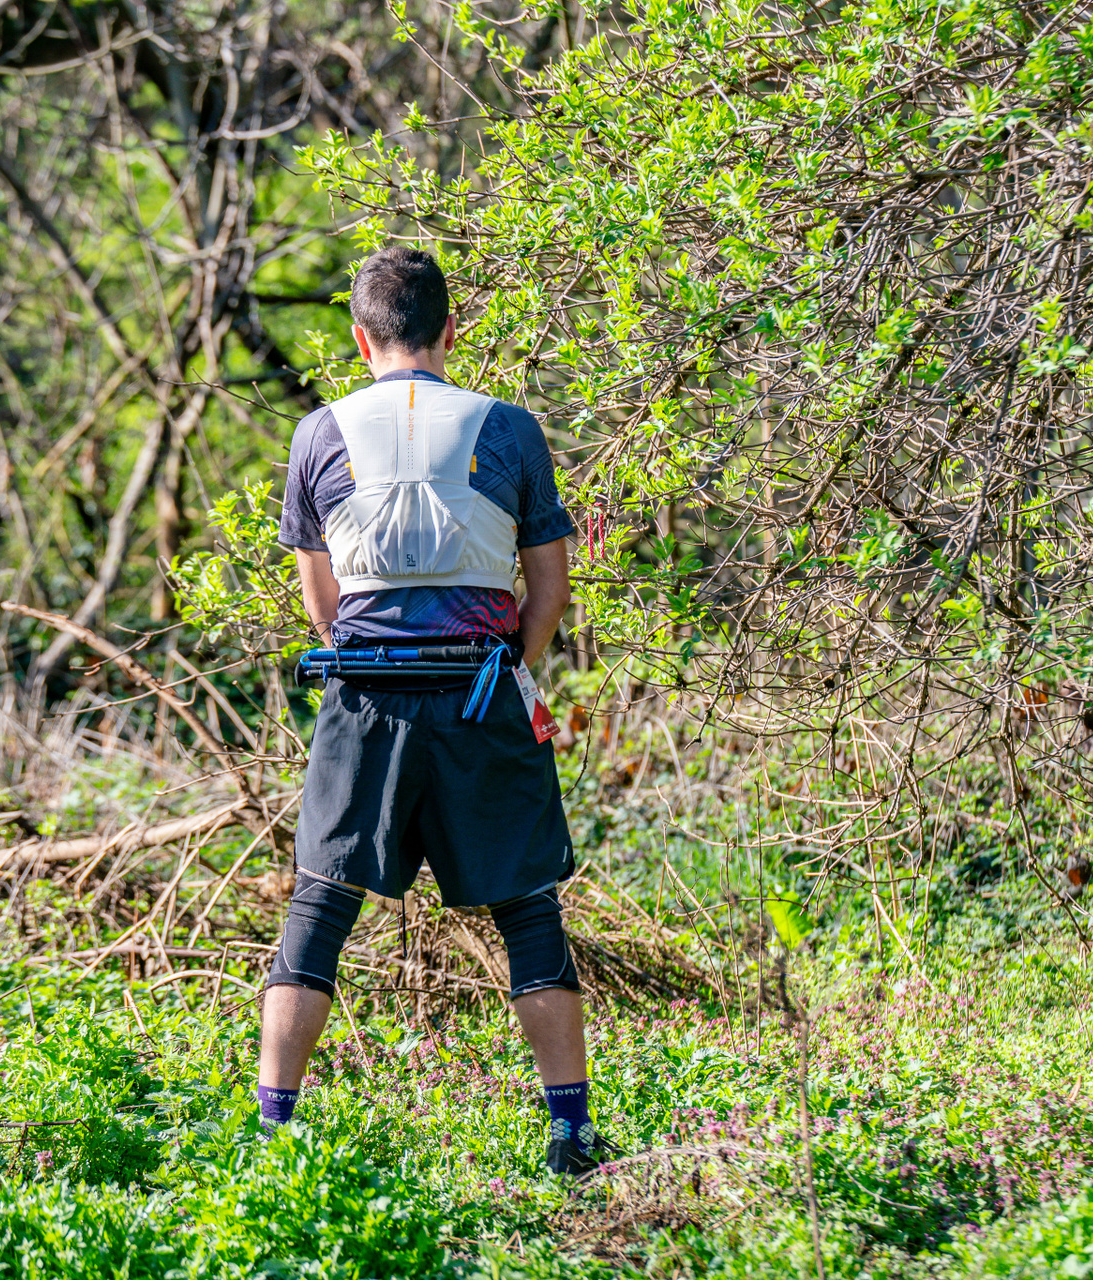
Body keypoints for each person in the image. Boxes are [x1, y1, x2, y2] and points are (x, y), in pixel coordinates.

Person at [259, 246, 615, 1176]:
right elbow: (549, 593)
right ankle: (571, 1138)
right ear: (451, 330)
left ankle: (272, 1138)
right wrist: (503, 674)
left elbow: (323, 607)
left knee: (318, 907)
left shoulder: (318, 433)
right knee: (528, 913)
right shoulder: (511, 429)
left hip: (364, 699)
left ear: (359, 339)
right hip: (481, 696)